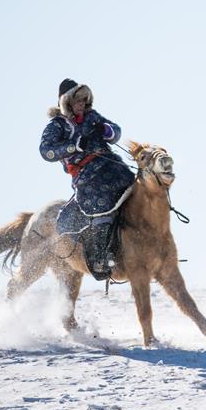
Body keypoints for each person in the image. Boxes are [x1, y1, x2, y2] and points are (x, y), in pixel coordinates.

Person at [39, 78, 135, 280]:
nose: (82, 105)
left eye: (84, 100)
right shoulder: (57, 125)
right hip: (87, 176)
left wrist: (107, 130)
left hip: (112, 165)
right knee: (102, 202)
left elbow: (115, 131)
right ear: (67, 103)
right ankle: (100, 257)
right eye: (77, 101)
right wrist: (74, 146)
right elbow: (46, 151)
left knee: (138, 188)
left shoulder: (91, 116)